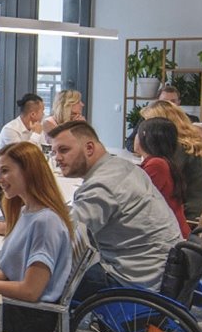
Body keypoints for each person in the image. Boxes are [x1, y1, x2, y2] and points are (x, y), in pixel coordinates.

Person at [49, 120, 183, 299]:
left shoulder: (101, 185)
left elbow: (63, 233)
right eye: (54, 152)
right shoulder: (121, 166)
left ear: (89, 148)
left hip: (133, 281)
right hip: (160, 271)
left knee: (43, 271)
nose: (57, 158)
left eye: (63, 150)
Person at [0, 142, 74, 332]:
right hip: (19, 306)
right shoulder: (27, 211)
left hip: (29, 318)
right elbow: (9, 268)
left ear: (28, 172)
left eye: (5, 171)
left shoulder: (45, 222)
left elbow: (31, 291)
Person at [139, 100, 202, 221]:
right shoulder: (187, 144)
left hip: (189, 217)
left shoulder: (178, 148)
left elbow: (156, 186)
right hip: (198, 212)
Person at [135, 118, 191, 238]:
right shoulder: (161, 162)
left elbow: (136, 201)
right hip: (168, 232)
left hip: (167, 239)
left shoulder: (157, 165)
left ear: (145, 138)